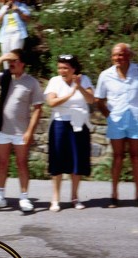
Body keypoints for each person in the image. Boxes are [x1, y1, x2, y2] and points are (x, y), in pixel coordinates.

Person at [0, 49, 43, 212]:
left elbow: (38, 109)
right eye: (9, 61)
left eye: (14, 60)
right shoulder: (4, 77)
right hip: (2, 129)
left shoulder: (31, 82)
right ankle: (0, 197)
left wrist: (30, 131)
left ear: (23, 63)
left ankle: (24, 198)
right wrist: (1, 57)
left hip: (21, 131)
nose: (11, 63)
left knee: (22, 164)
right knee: (2, 164)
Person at [94, 43, 138, 208]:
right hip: (117, 119)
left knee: (135, 157)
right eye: (114, 55)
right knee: (118, 157)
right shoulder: (105, 75)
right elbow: (99, 100)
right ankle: (114, 195)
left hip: (136, 118)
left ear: (128, 55)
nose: (117, 58)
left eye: (120, 54)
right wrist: (109, 116)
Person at [44, 54, 95, 212]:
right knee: (57, 160)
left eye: (65, 68)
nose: (62, 70)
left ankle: (75, 197)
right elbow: (51, 102)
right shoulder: (54, 81)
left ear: (74, 68)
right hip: (60, 123)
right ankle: (55, 198)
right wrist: (71, 94)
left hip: (79, 123)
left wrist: (78, 86)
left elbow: (91, 100)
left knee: (77, 160)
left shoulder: (84, 79)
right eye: (60, 67)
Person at [0, 0, 30, 69]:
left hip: (17, 33)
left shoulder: (21, 5)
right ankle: (7, 75)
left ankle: (15, 75)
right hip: (5, 34)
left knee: (15, 56)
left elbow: (28, 18)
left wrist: (18, 10)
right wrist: (5, 9)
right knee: (5, 56)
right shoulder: (4, 7)